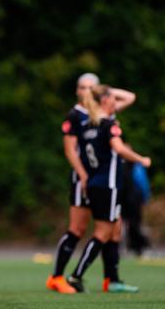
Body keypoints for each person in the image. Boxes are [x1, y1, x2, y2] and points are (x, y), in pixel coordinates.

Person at [47, 73, 139, 293]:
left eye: (90, 88)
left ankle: (112, 280)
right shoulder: (76, 115)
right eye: (81, 87)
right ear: (77, 91)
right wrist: (82, 174)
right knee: (78, 228)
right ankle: (57, 277)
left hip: (102, 179)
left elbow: (130, 98)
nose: (85, 91)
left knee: (114, 228)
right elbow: (69, 149)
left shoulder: (102, 113)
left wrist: (106, 91)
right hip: (85, 179)